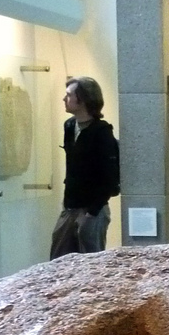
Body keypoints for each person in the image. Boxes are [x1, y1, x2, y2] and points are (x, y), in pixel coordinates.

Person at [50, 76, 120, 260]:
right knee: (58, 259)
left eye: (69, 95)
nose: (64, 99)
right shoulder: (69, 126)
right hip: (71, 206)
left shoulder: (102, 133)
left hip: (92, 208)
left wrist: (91, 212)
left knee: (90, 261)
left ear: (83, 99)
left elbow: (110, 177)